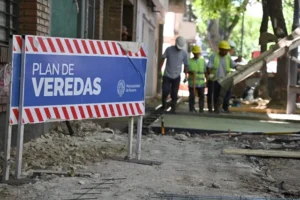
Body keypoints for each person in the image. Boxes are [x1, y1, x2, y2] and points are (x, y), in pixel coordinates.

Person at [160, 36, 189, 113]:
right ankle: (164, 105)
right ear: (175, 43)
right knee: (165, 91)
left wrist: (186, 75)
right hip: (167, 75)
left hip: (176, 76)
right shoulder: (169, 50)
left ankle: (173, 108)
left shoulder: (184, 53)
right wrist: (159, 70)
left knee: (174, 93)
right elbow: (162, 59)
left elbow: (186, 65)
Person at [207, 40, 236, 113]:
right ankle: (216, 108)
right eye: (224, 51)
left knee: (227, 93)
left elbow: (232, 64)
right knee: (216, 94)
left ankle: (225, 108)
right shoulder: (214, 56)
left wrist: (237, 66)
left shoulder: (228, 56)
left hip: (225, 78)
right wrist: (210, 75)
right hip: (216, 79)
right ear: (220, 49)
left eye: (227, 51)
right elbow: (209, 66)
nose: (225, 52)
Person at [187, 45, 206, 113]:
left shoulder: (202, 61)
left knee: (202, 96)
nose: (196, 54)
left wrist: (207, 80)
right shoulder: (190, 61)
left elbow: (205, 71)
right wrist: (190, 72)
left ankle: (201, 109)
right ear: (193, 53)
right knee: (192, 95)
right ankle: (191, 108)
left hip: (201, 82)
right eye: (195, 53)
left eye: (197, 53)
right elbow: (186, 70)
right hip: (192, 82)